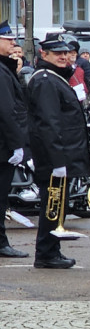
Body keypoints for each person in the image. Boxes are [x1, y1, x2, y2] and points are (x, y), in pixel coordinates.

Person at [26, 35, 90, 270]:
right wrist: (57, 161)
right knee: (53, 205)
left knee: (58, 205)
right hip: (54, 156)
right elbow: (49, 123)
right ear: (44, 55)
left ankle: (51, 250)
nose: (64, 57)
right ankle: (46, 252)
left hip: (62, 154)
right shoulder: (46, 80)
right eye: (57, 54)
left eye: (65, 53)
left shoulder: (55, 78)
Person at [0, 20, 29, 259]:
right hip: (2, 147)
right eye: (7, 40)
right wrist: (16, 144)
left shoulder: (4, 68)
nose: (12, 43)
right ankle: (0, 242)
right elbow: (8, 111)